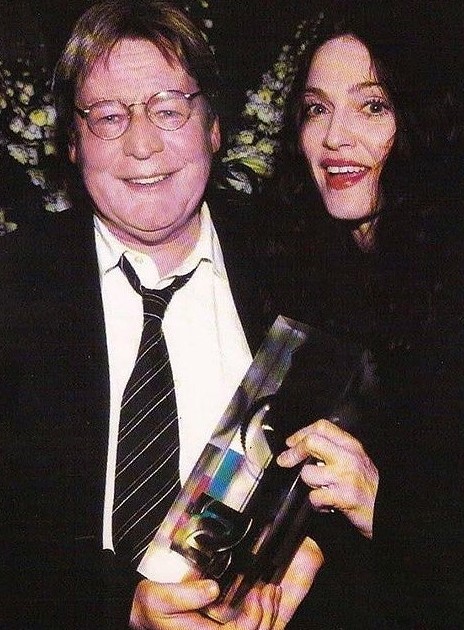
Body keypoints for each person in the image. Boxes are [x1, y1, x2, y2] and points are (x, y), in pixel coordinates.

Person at [0, 2, 323, 629]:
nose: (142, 143)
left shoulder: (303, 271)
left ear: (214, 128)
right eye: (108, 116)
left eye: (169, 109)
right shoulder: (14, 290)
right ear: (72, 143)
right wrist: (120, 607)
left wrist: (313, 549)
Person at [267, 2, 464, 627]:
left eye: (372, 106)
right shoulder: (299, 277)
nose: (335, 137)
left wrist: (380, 506)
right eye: (316, 109)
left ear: (422, 123)